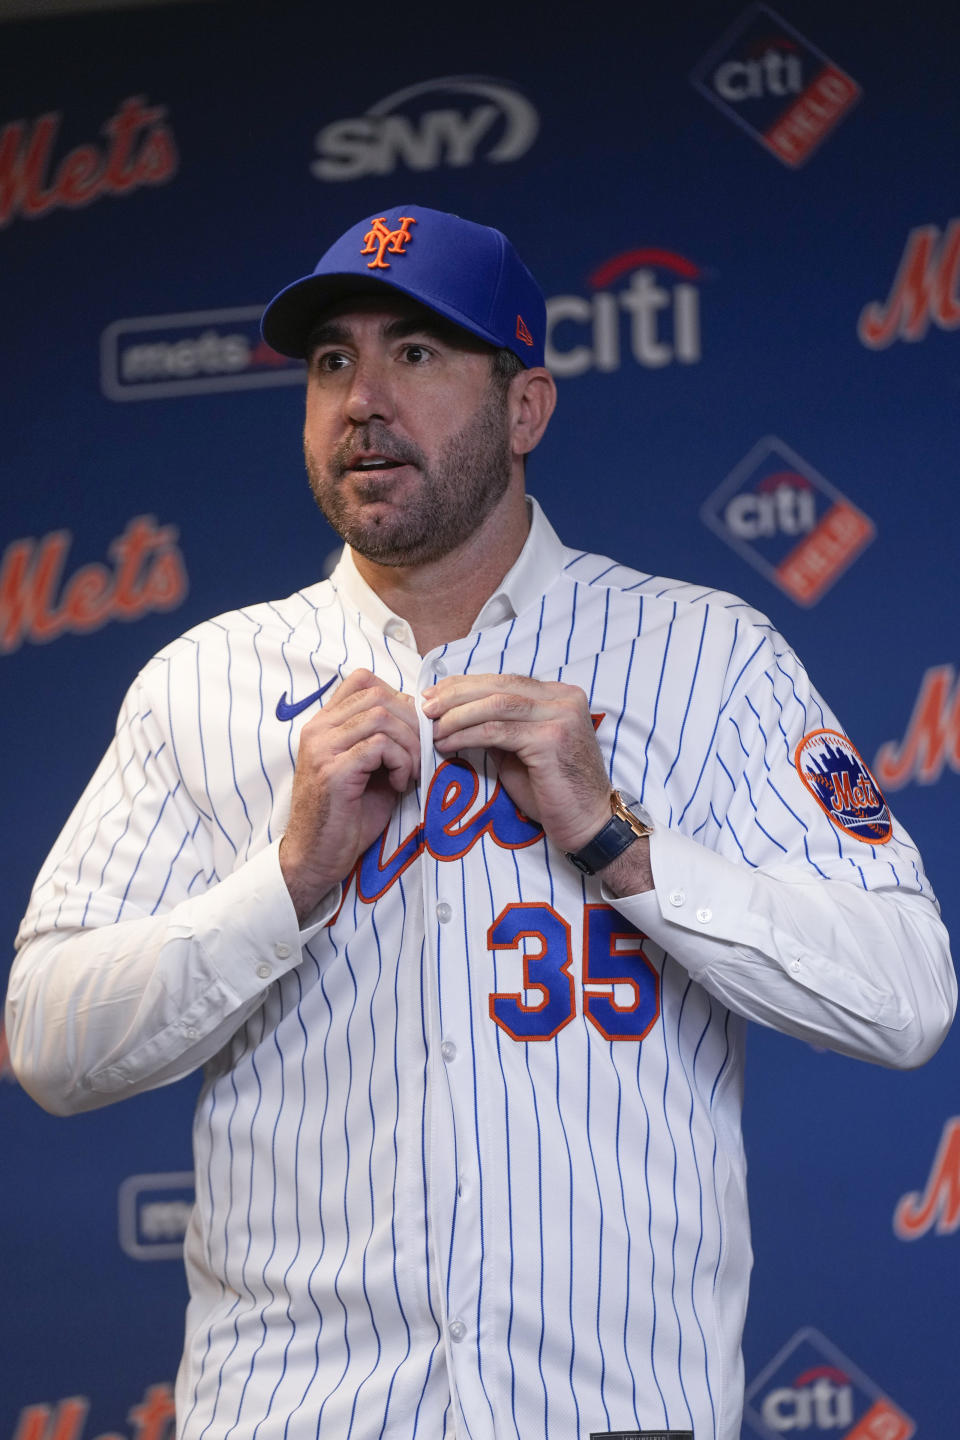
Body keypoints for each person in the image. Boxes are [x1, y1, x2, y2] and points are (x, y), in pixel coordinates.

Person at [6, 204, 955, 1440]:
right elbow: (47, 1037)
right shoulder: (204, 682)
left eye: (417, 353)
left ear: (524, 410)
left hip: (611, 1414)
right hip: (296, 1414)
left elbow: (906, 995)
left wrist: (617, 839)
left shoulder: (706, 655)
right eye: (333, 361)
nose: (362, 399)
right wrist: (285, 882)